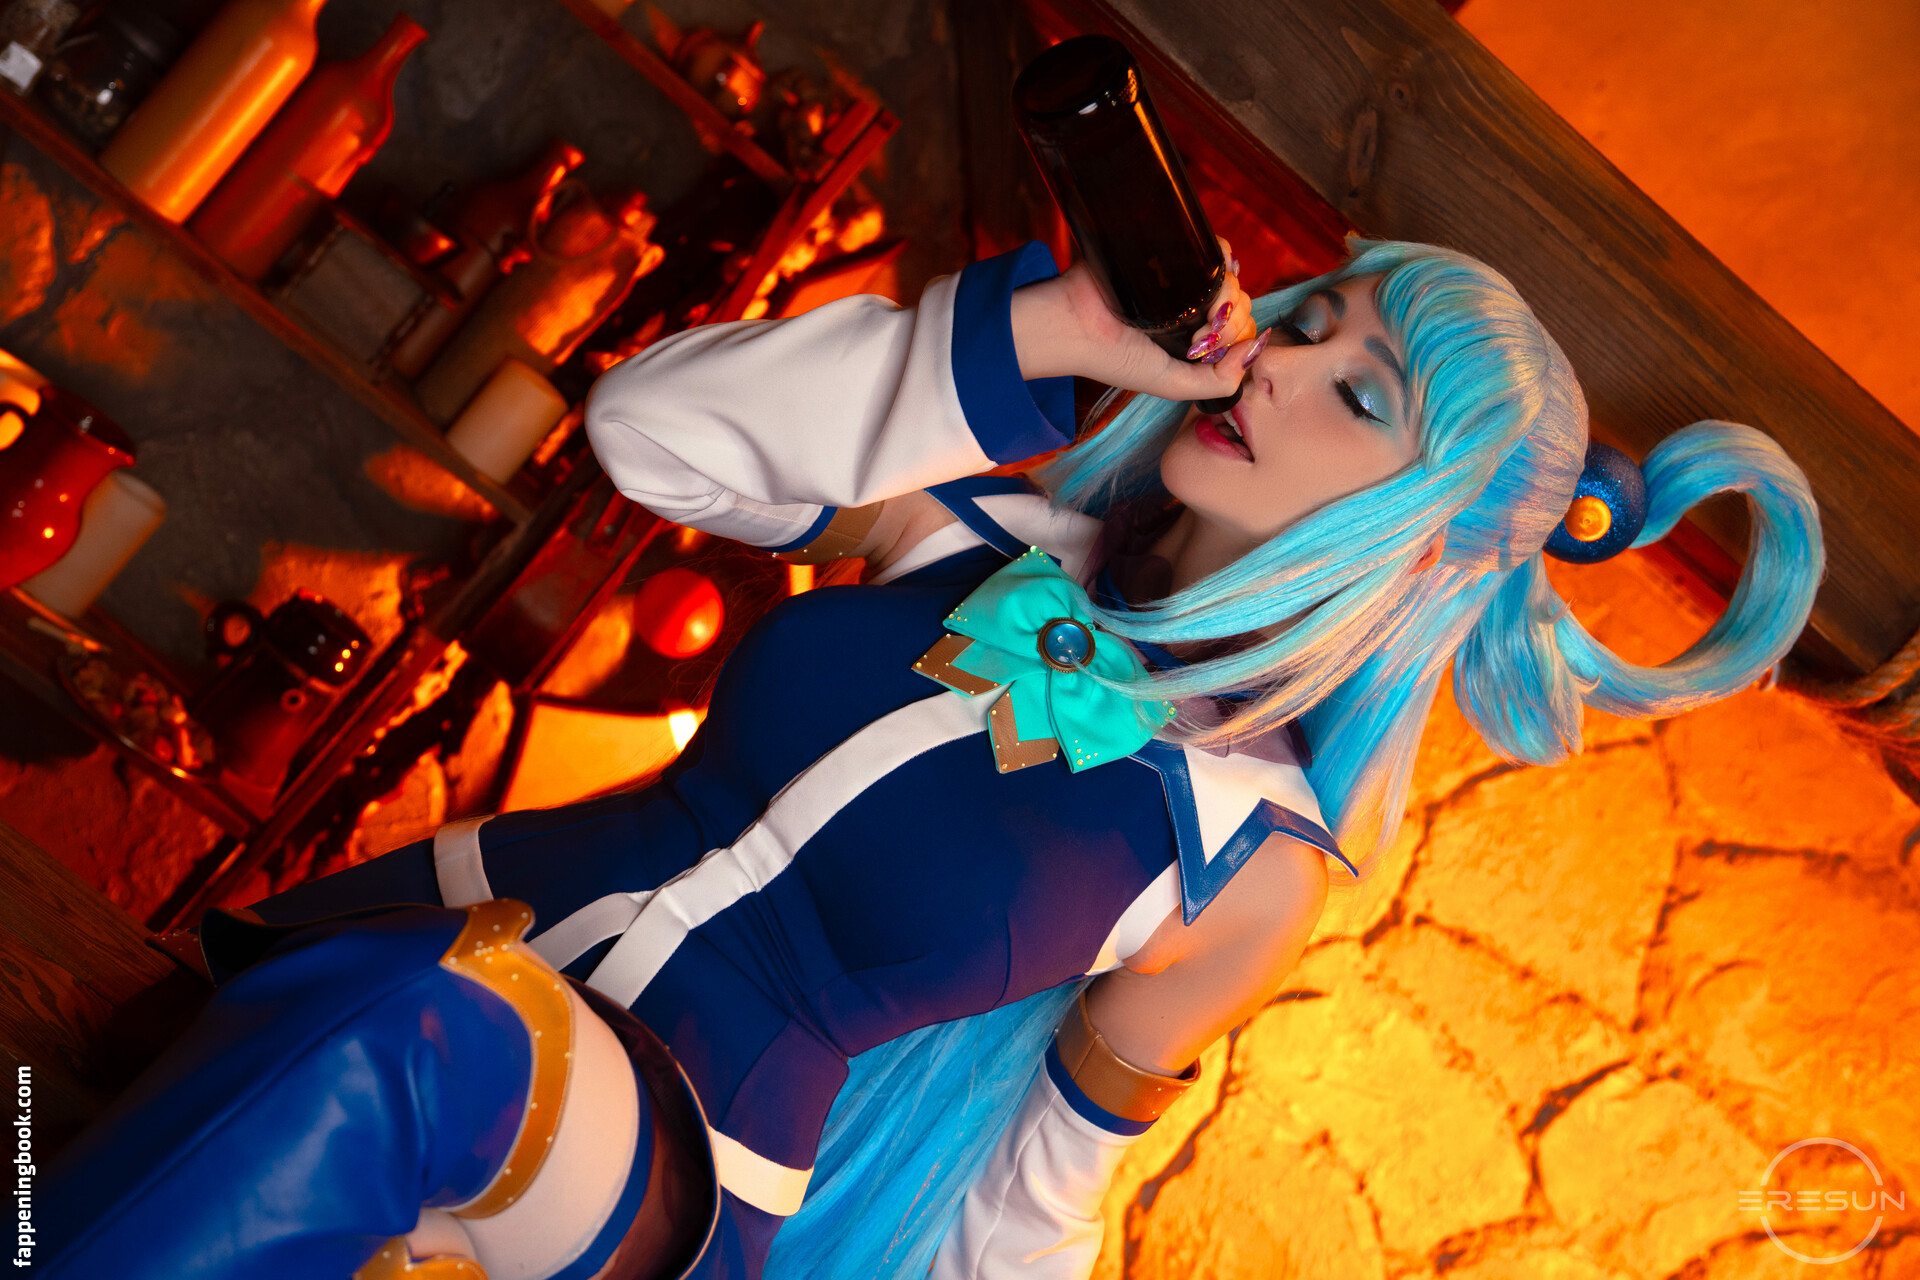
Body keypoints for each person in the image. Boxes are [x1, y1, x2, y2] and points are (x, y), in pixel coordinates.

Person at [36, 236, 1822, 1280]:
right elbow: (647, 432)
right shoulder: (974, 524)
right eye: (1309, 323)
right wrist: (1041, 334)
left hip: (660, 1150)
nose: (1282, 368)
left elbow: (1031, 1197)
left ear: (1419, 539)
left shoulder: (1247, 858)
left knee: (406, 1034)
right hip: (404, 933)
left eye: (1364, 395)